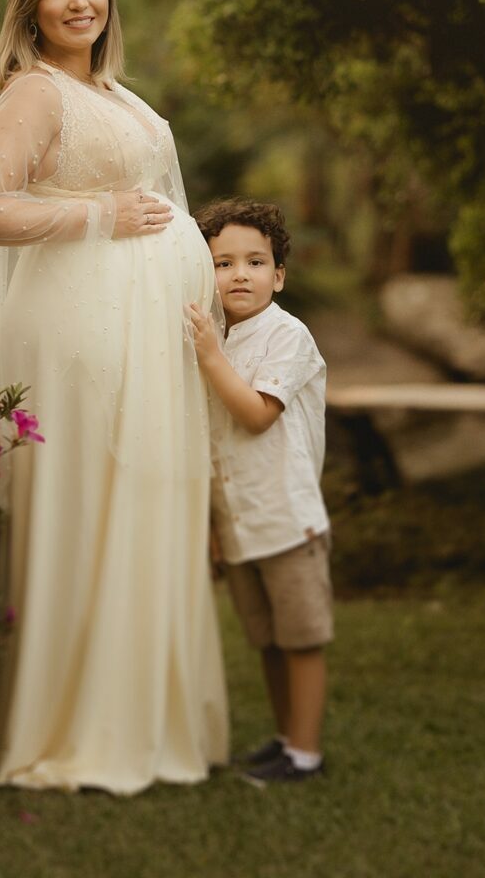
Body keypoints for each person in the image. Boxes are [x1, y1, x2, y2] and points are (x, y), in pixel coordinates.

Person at [0, 0, 228, 793]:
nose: (80, 1)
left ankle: (137, 718)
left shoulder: (109, 91)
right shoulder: (34, 95)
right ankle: (72, 729)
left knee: (139, 508)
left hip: (139, 339)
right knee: (88, 510)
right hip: (79, 336)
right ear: (30, 6)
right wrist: (98, 217)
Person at [188, 197, 331, 785]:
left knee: (301, 640)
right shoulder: (217, 338)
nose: (239, 274)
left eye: (255, 262)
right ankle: (286, 737)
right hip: (239, 520)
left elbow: (255, 416)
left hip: (285, 517)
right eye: (222, 264)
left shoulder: (287, 335)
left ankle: (306, 754)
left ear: (279, 275)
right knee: (268, 640)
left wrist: (208, 356)